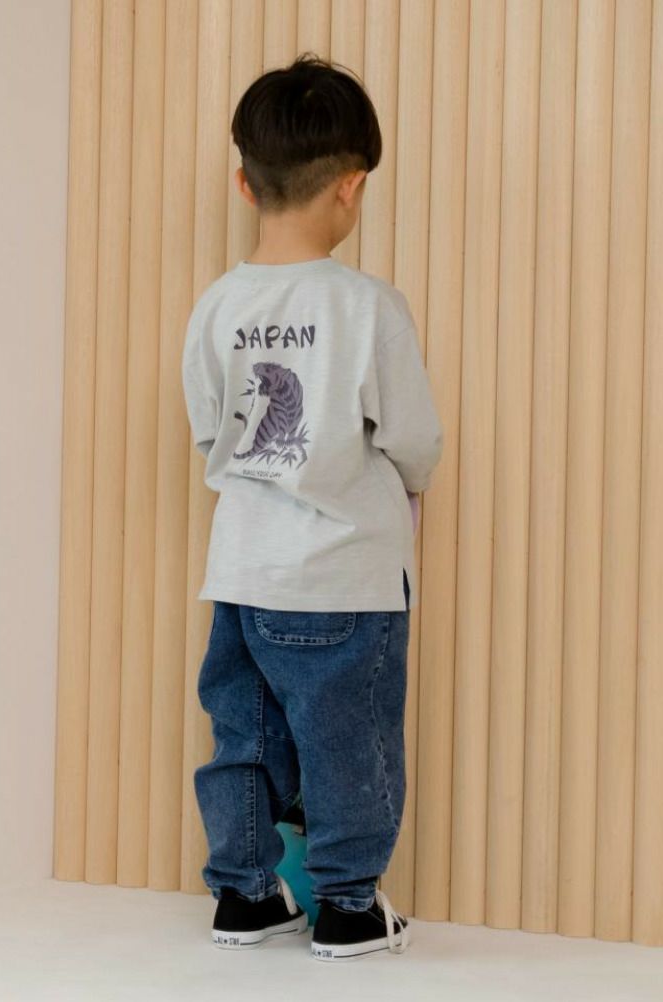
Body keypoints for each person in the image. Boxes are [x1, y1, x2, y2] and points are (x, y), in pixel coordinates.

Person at [181, 53, 444, 962]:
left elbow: (210, 434)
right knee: (348, 741)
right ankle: (346, 906)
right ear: (351, 185)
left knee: (244, 738)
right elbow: (413, 438)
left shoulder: (216, 306)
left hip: (243, 571)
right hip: (346, 577)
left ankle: (246, 895)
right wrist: (411, 483)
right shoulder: (369, 307)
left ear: (243, 183)